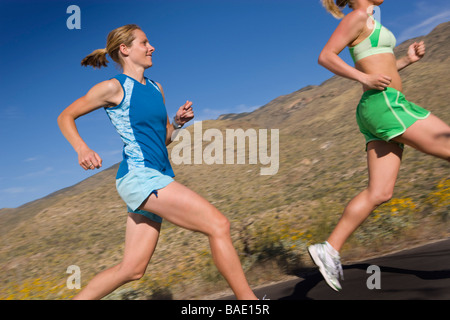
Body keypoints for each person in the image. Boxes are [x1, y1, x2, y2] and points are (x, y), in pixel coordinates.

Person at [57, 24, 258, 300]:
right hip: (140, 176)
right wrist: (82, 148)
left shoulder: (156, 88)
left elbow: (163, 139)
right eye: (144, 43)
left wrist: (177, 122)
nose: (152, 47)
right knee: (218, 225)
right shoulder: (113, 88)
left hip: (157, 175)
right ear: (125, 50)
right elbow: (65, 116)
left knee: (132, 269)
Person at [308, 0, 450, 291]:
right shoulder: (359, 16)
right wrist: (363, 77)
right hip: (387, 104)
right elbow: (325, 56)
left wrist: (406, 61)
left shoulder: (369, 20)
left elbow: (380, 67)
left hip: (379, 106)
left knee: (380, 192)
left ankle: (329, 249)